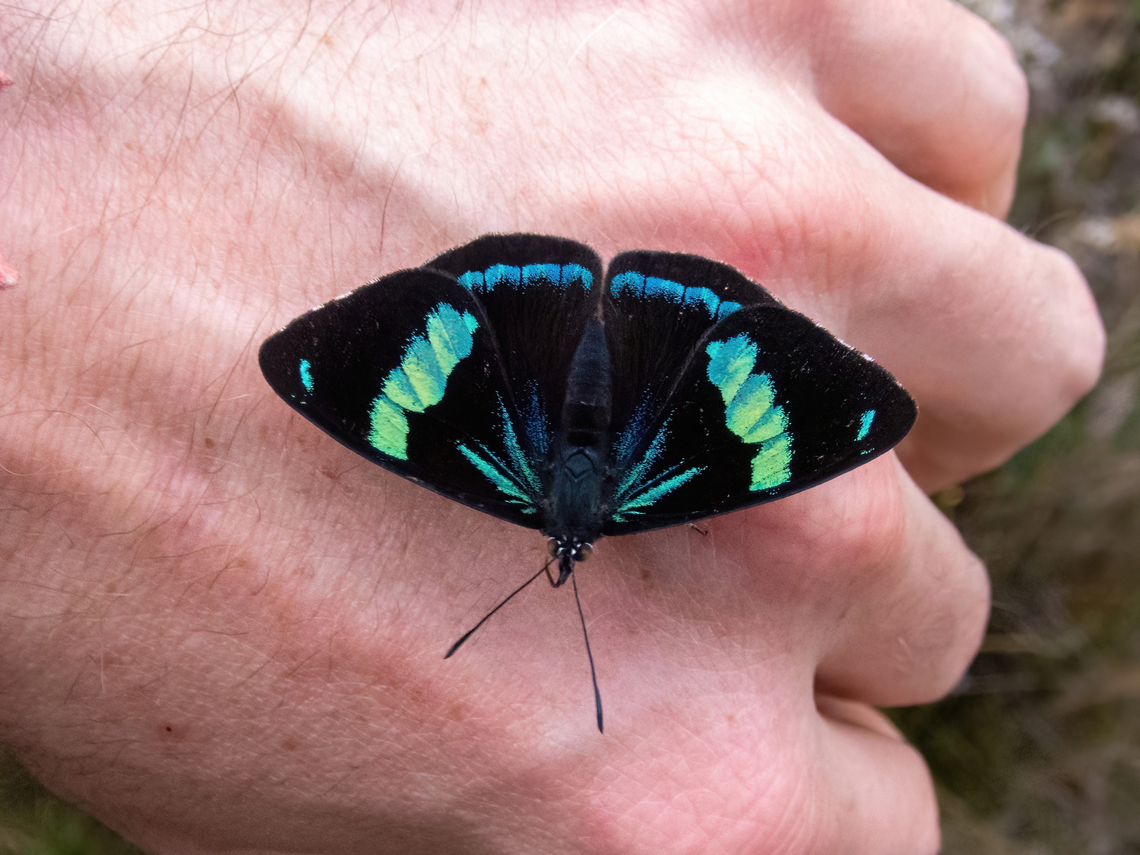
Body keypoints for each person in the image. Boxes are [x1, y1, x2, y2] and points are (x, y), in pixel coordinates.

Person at [0, 0, 1104, 852]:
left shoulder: (506, 481)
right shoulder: (626, 496)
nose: (567, 556)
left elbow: (390, 378)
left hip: (524, 355)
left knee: (432, 426)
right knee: (698, 448)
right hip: (649, 367)